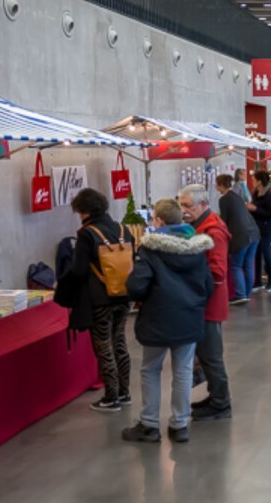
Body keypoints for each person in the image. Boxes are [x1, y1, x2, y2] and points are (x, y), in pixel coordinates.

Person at [122, 198, 213, 443]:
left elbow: (137, 286)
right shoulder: (197, 247)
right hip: (189, 317)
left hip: (158, 318)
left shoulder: (150, 250)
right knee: (183, 370)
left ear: (159, 221)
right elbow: (208, 285)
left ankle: (150, 424)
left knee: (150, 369)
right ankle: (180, 424)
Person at [66, 189, 134, 412]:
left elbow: (78, 271)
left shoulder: (88, 233)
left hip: (101, 298)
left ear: (83, 210)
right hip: (124, 295)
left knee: (103, 345)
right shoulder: (123, 229)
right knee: (120, 341)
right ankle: (125, 393)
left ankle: (110, 396)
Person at [181, 185, 234, 422]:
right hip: (202, 303)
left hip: (208, 305)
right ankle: (215, 396)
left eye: (188, 206)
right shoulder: (201, 227)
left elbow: (217, 272)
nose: (184, 210)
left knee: (211, 356)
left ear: (203, 204)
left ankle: (221, 403)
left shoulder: (213, 232)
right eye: (182, 205)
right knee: (206, 354)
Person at [209, 177, 258, 306]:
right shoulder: (237, 196)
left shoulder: (224, 199)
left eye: (217, 185)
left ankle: (240, 294)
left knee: (236, 265)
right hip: (253, 233)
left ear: (220, 185)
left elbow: (223, 222)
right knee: (248, 265)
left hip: (240, 236)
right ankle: (247, 293)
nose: (216, 188)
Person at [247, 170, 271, 294]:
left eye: (254, 179)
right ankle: (258, 281)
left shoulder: (270, 196)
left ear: (259, 181)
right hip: (256, 227)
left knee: (266, 253)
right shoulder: (255, 193)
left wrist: (255, 209)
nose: (252, 182)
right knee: (257, 253)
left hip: (265, 229)